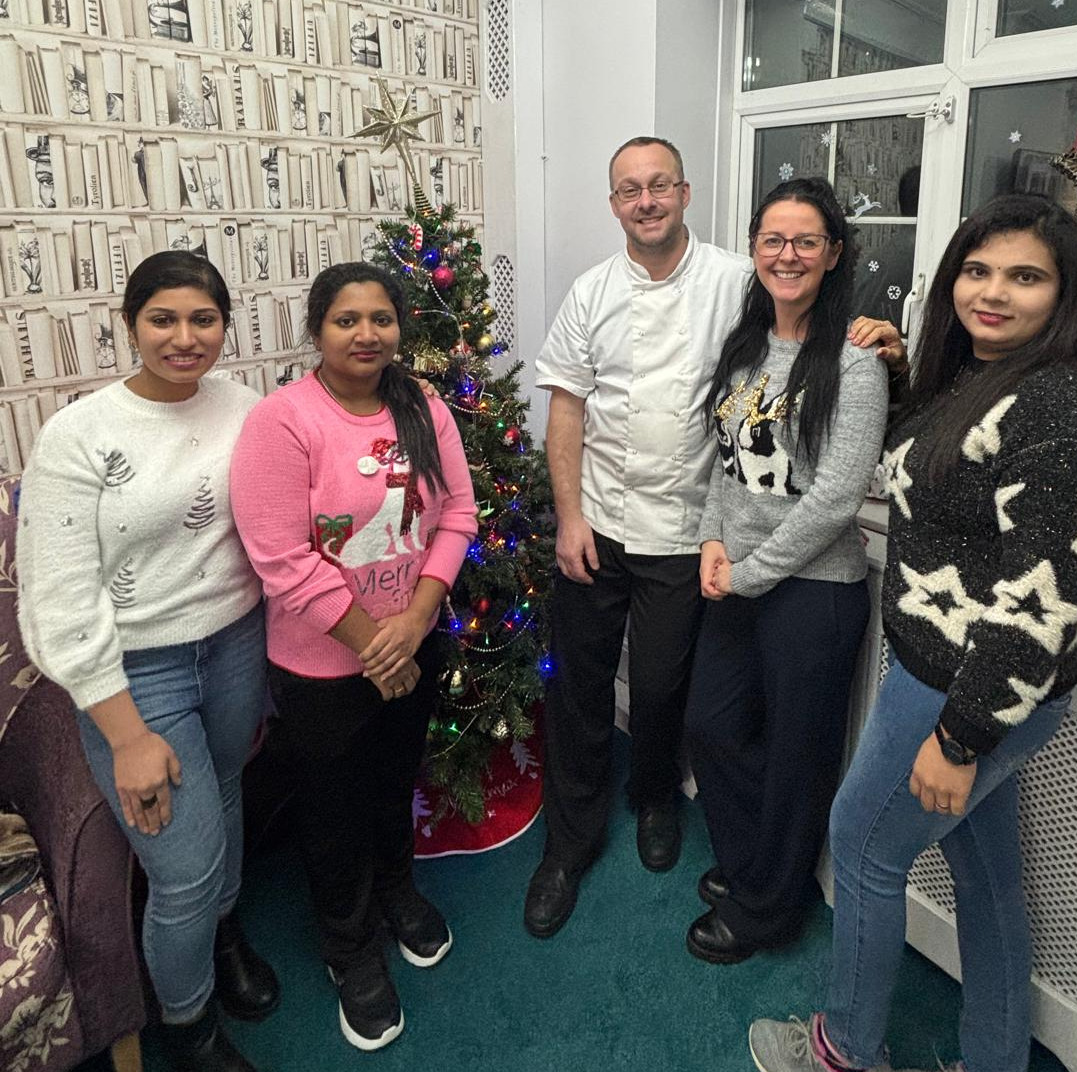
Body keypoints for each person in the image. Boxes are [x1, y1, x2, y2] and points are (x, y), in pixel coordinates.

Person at [749, 195, 1077, 1072]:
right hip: (950, 676)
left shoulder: (1063, 412)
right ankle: (996, 1062)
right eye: (978, 269)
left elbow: (1042, 606)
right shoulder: (982, 377)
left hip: (962, 691)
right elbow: (946, 475)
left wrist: (958, 739)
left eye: (1025, 276)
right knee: (987, 881)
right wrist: (903, 372)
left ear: (1065, 293)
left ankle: (842, 1051)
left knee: (863, 846)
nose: (992, 293)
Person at [16, 251, 279, 1072]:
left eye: (203, 319)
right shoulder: (79, 435)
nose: (185, 336)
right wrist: (125, 733)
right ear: (130, 325)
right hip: (136, 673)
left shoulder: (246, 407)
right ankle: (188, 1023)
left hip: (236, 642)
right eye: (163, 318)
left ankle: (224, 933)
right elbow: (58, 600)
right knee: (185, 866)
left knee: (229, 789)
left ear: (224, 327)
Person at [229, 262, 476, 1053]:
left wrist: (414, 622)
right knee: (332, 812)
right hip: (324, 667)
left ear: (400, 327)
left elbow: (458, 513)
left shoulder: (423, 405)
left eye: (381, 319)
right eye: (347, 320)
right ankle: (349, 947)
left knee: (393, 783)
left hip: (412, 636)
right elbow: (282, 559)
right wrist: (379, 646)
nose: (366, 334)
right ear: (317, 330)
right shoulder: (283, 421)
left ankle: (399, 890)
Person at [525, 136, 752, 937]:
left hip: (685, 530)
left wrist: (870, 336)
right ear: (614, 204)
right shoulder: (591, 293)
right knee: (579, 688)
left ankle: (655, 795)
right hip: (598, 524)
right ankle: (569, 842)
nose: (645, 201)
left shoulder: (736, 281)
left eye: (659, 186)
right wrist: (569, 515)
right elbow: (567, 410)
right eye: (629, 190)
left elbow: (798, 341)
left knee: (660, 690)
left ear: (685, 194)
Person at [684, 177, 888, 964]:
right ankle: (753, 868)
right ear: (754, 248)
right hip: (738, 575)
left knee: (798, 754)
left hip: (813, 591)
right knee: (713, 725)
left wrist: (749, 572)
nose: (788, 254)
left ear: (834, 254)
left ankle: (770, 905)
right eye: (773, 239)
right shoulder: (746, 346)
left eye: (807, 241)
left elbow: (836, 498)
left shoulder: (856, 361)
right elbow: (727, 469)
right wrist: (712, 543)